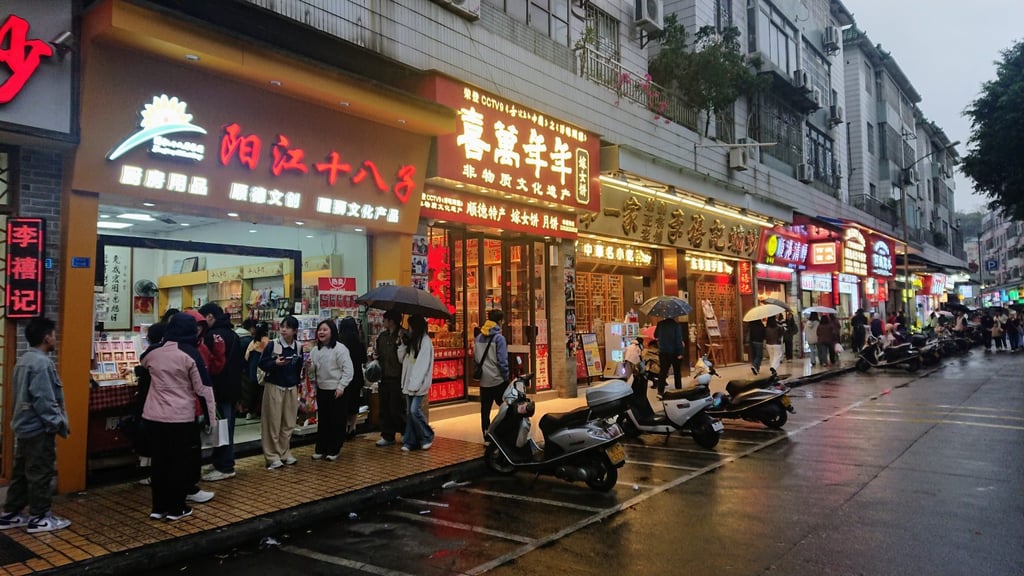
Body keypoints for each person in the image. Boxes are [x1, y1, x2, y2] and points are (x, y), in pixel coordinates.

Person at [140, 313, 217, 521]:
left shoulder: (154, 352)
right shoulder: (190, 354)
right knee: (179, 463)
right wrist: (211, 419)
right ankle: (177, 508)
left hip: (153, 416)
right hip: (180, 418)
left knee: (159, 462)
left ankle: (158, 508)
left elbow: (143, 361)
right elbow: (204, 390)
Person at [0, 318, 72, 533]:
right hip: (38, 428)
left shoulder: (24, 359)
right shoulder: (41, 363)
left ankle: (11, 513)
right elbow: (43, 399)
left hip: (24, 426)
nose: (55, 339)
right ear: (46, 337)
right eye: (54, 335)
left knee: (22, 472)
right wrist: (57, 423)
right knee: (40, 472)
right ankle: (40, 517)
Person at [198, 303, 244, 482]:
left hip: (219, 389)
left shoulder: (212, 336)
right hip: (232, 389)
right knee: (226, 428)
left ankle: (225, 466)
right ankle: (219, 462)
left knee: (221, 427)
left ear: (210, 317)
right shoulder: (233, 334)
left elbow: (212, 366)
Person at [259, 315, 303, 470]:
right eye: (282, 326)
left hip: (291, 387)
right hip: (274, 386)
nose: (284, 330)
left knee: (288, 422)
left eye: (288, 327)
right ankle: (272, 456)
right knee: (272, 422)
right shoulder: (273, 344)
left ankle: (284, 452)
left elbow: (298, 366)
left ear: (295, 331)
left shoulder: (298, 346)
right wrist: (275, 363)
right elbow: (262, 363)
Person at [309, 319, 354, 460]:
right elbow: (313, 371)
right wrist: (309, 366)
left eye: (325, 329)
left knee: (337, 421)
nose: (321, 332)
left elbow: (348, 370)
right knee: (323, 421)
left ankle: (334, 449)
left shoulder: (340, 349)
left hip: (337, 390)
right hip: (322, 389)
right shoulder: (315, 350)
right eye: (319, 330)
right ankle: (321, 448)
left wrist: (341, 387)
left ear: (332, 331)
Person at [399, 314, 435, 451]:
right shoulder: (412, 341)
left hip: (418, 384)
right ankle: (410, 441)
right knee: (410, 412)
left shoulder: (425, 342)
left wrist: (415, 384)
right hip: (409, 382)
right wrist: (402, 343)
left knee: (414, 410)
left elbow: (422, 366)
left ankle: (427, 435)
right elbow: (402, 359)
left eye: (410, 327)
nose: (409, 329)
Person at [475, 309, 509, 438]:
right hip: (498, 380)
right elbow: (502, 361)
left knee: (485, 410)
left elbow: (475, 360)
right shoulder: (499, 339)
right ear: (499, 321)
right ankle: (503, 432)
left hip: (484, 381)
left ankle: (486, 434)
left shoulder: (478, 338)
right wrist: (506, 377)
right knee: (506, 406)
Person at [374, 310, 406, 447]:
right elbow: (378, 352)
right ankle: (387, 435)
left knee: (397, 408)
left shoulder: (403, 334)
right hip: (384, 376)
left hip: (397, 377)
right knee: (385, 408)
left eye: (385, 320)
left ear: (391, 321)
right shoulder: (382, 336)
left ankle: (405, 432)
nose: (383, 322)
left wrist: (401, 341)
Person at [337, 317, 367, 436]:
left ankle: (343, 427)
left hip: (342, 377)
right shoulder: (360, 342)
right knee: (354, 402)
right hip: (357, 376)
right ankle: (353, 427)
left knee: (343, 404)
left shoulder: (339, 343)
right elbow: (364, 359)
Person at [243, 322, 270, 419]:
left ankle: (250, 412)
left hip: (252, 371)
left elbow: (246, 357)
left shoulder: (253, 342)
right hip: (262, 372)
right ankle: (262, 412)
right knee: (262, 393)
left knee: (253, 392)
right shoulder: (267, 342)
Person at [654, 316, 684, 395]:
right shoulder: (676, 325)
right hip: (675, 352)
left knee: (663, 372)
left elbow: (655, 335)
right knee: (677, 372)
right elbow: (678, 340)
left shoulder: (660, 324)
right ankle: (678, 390)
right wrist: (680, 352)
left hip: (663, 351)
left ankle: (660, 392)